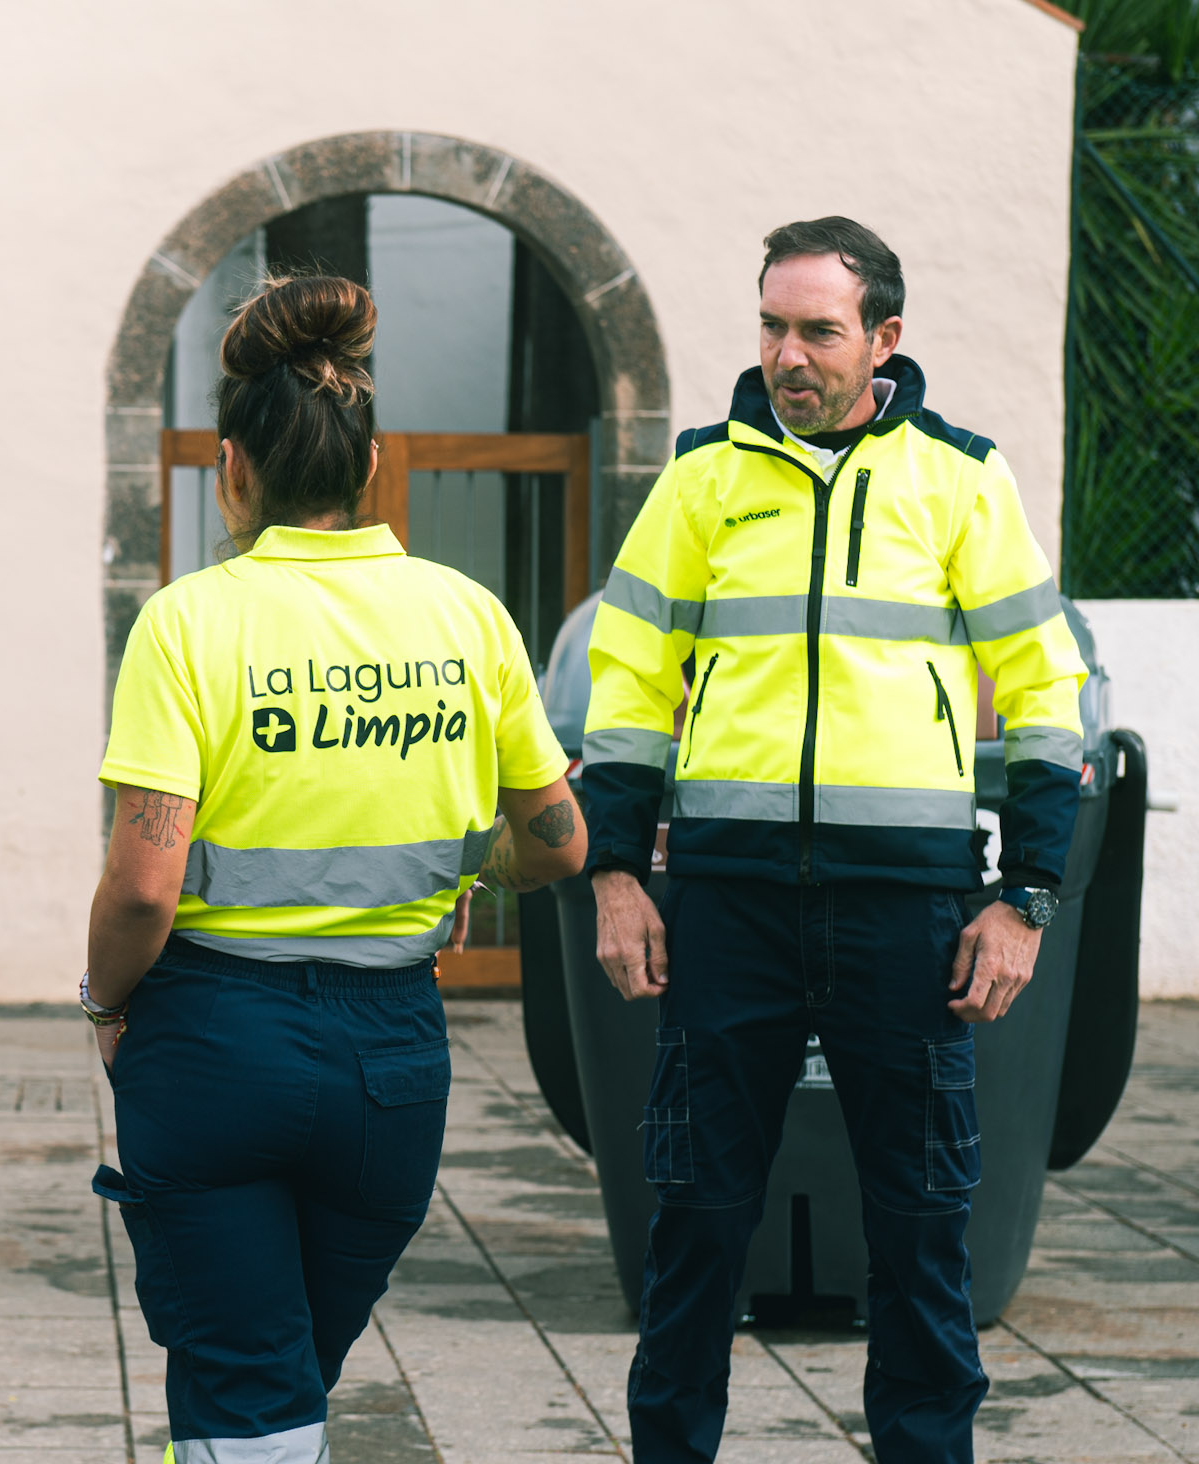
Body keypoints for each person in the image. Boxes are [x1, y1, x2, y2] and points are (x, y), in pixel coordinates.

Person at [582, 218, 1087, 1464]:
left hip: (902, 912)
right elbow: (628, 686)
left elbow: (1043, 695)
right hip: (726, 904)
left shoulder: (960, 480)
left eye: (816, 329)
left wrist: (1022, 898)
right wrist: (611, 875)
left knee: (922, 1228)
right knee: (694, 1223)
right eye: (771, 324)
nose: (787, 354)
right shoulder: (701, 481)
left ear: (884, 341)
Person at [85, 273, 586, 1463]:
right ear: (370, 469)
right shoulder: (466, 614)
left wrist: (108, 1004)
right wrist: (476, 874)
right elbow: (560, 839)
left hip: (215, 1036)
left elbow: (144, 882)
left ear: (233, 470)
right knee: (289, 1367)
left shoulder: (189, 621)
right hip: (393, 1059)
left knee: (247, 1383)